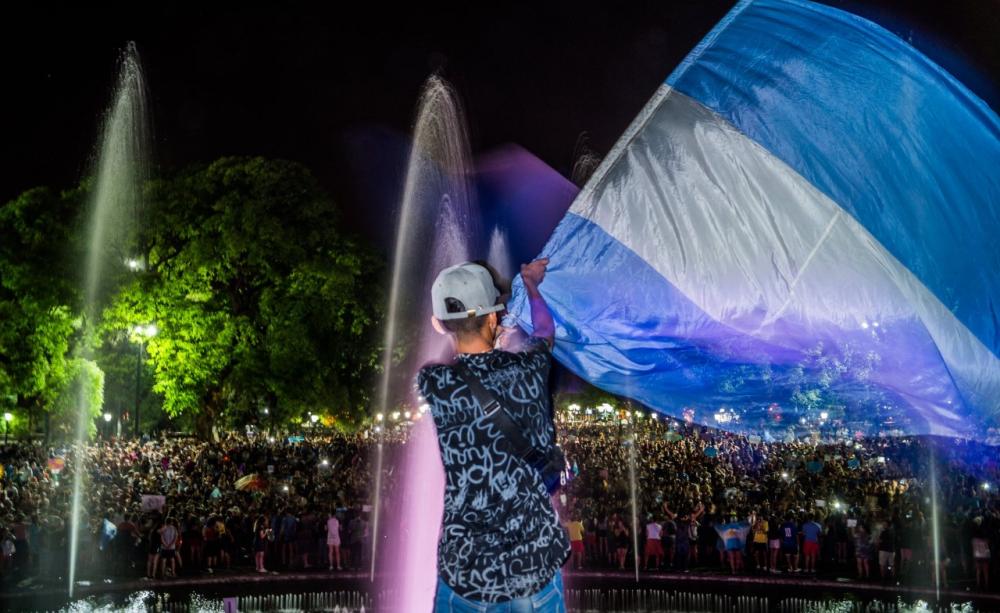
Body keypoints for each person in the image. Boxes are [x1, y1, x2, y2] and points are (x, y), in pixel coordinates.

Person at [418, 259, 570, 612]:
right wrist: (531, 285)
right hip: (531, 566)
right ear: (492, 318)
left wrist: (459, 333)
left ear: (441, 324)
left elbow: (454, 362)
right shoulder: (530, 371)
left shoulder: (434, 384)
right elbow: (546, 332)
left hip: (466, 571)